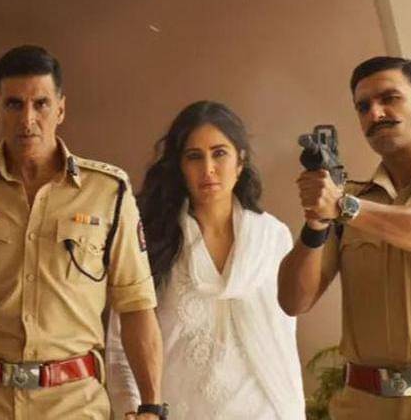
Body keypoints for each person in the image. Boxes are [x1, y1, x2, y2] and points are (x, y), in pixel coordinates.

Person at [0, 45, 165, 420]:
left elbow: (136, 307)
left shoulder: (108, 192)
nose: (28, 119)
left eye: (41, 104)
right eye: (14, 104)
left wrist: (151, 406)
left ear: (61, 109)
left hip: (73, 405)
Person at [278, 56, 411, 419]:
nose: (375, 113)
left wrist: (343, 205)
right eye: (363, 107)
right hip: (362, 406)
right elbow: (294, 301)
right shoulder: (347, 203)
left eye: (390, 98)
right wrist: (316, 222)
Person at [107, 100, 305, 419]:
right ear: (180, 167)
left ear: (240, 161)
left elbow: (285, 335)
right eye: (194, 157)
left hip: (268, 411)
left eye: (219, 153)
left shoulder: (272, 238)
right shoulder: (155, 241)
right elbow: (122, 342)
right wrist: (133, 408)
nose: (208, 169)